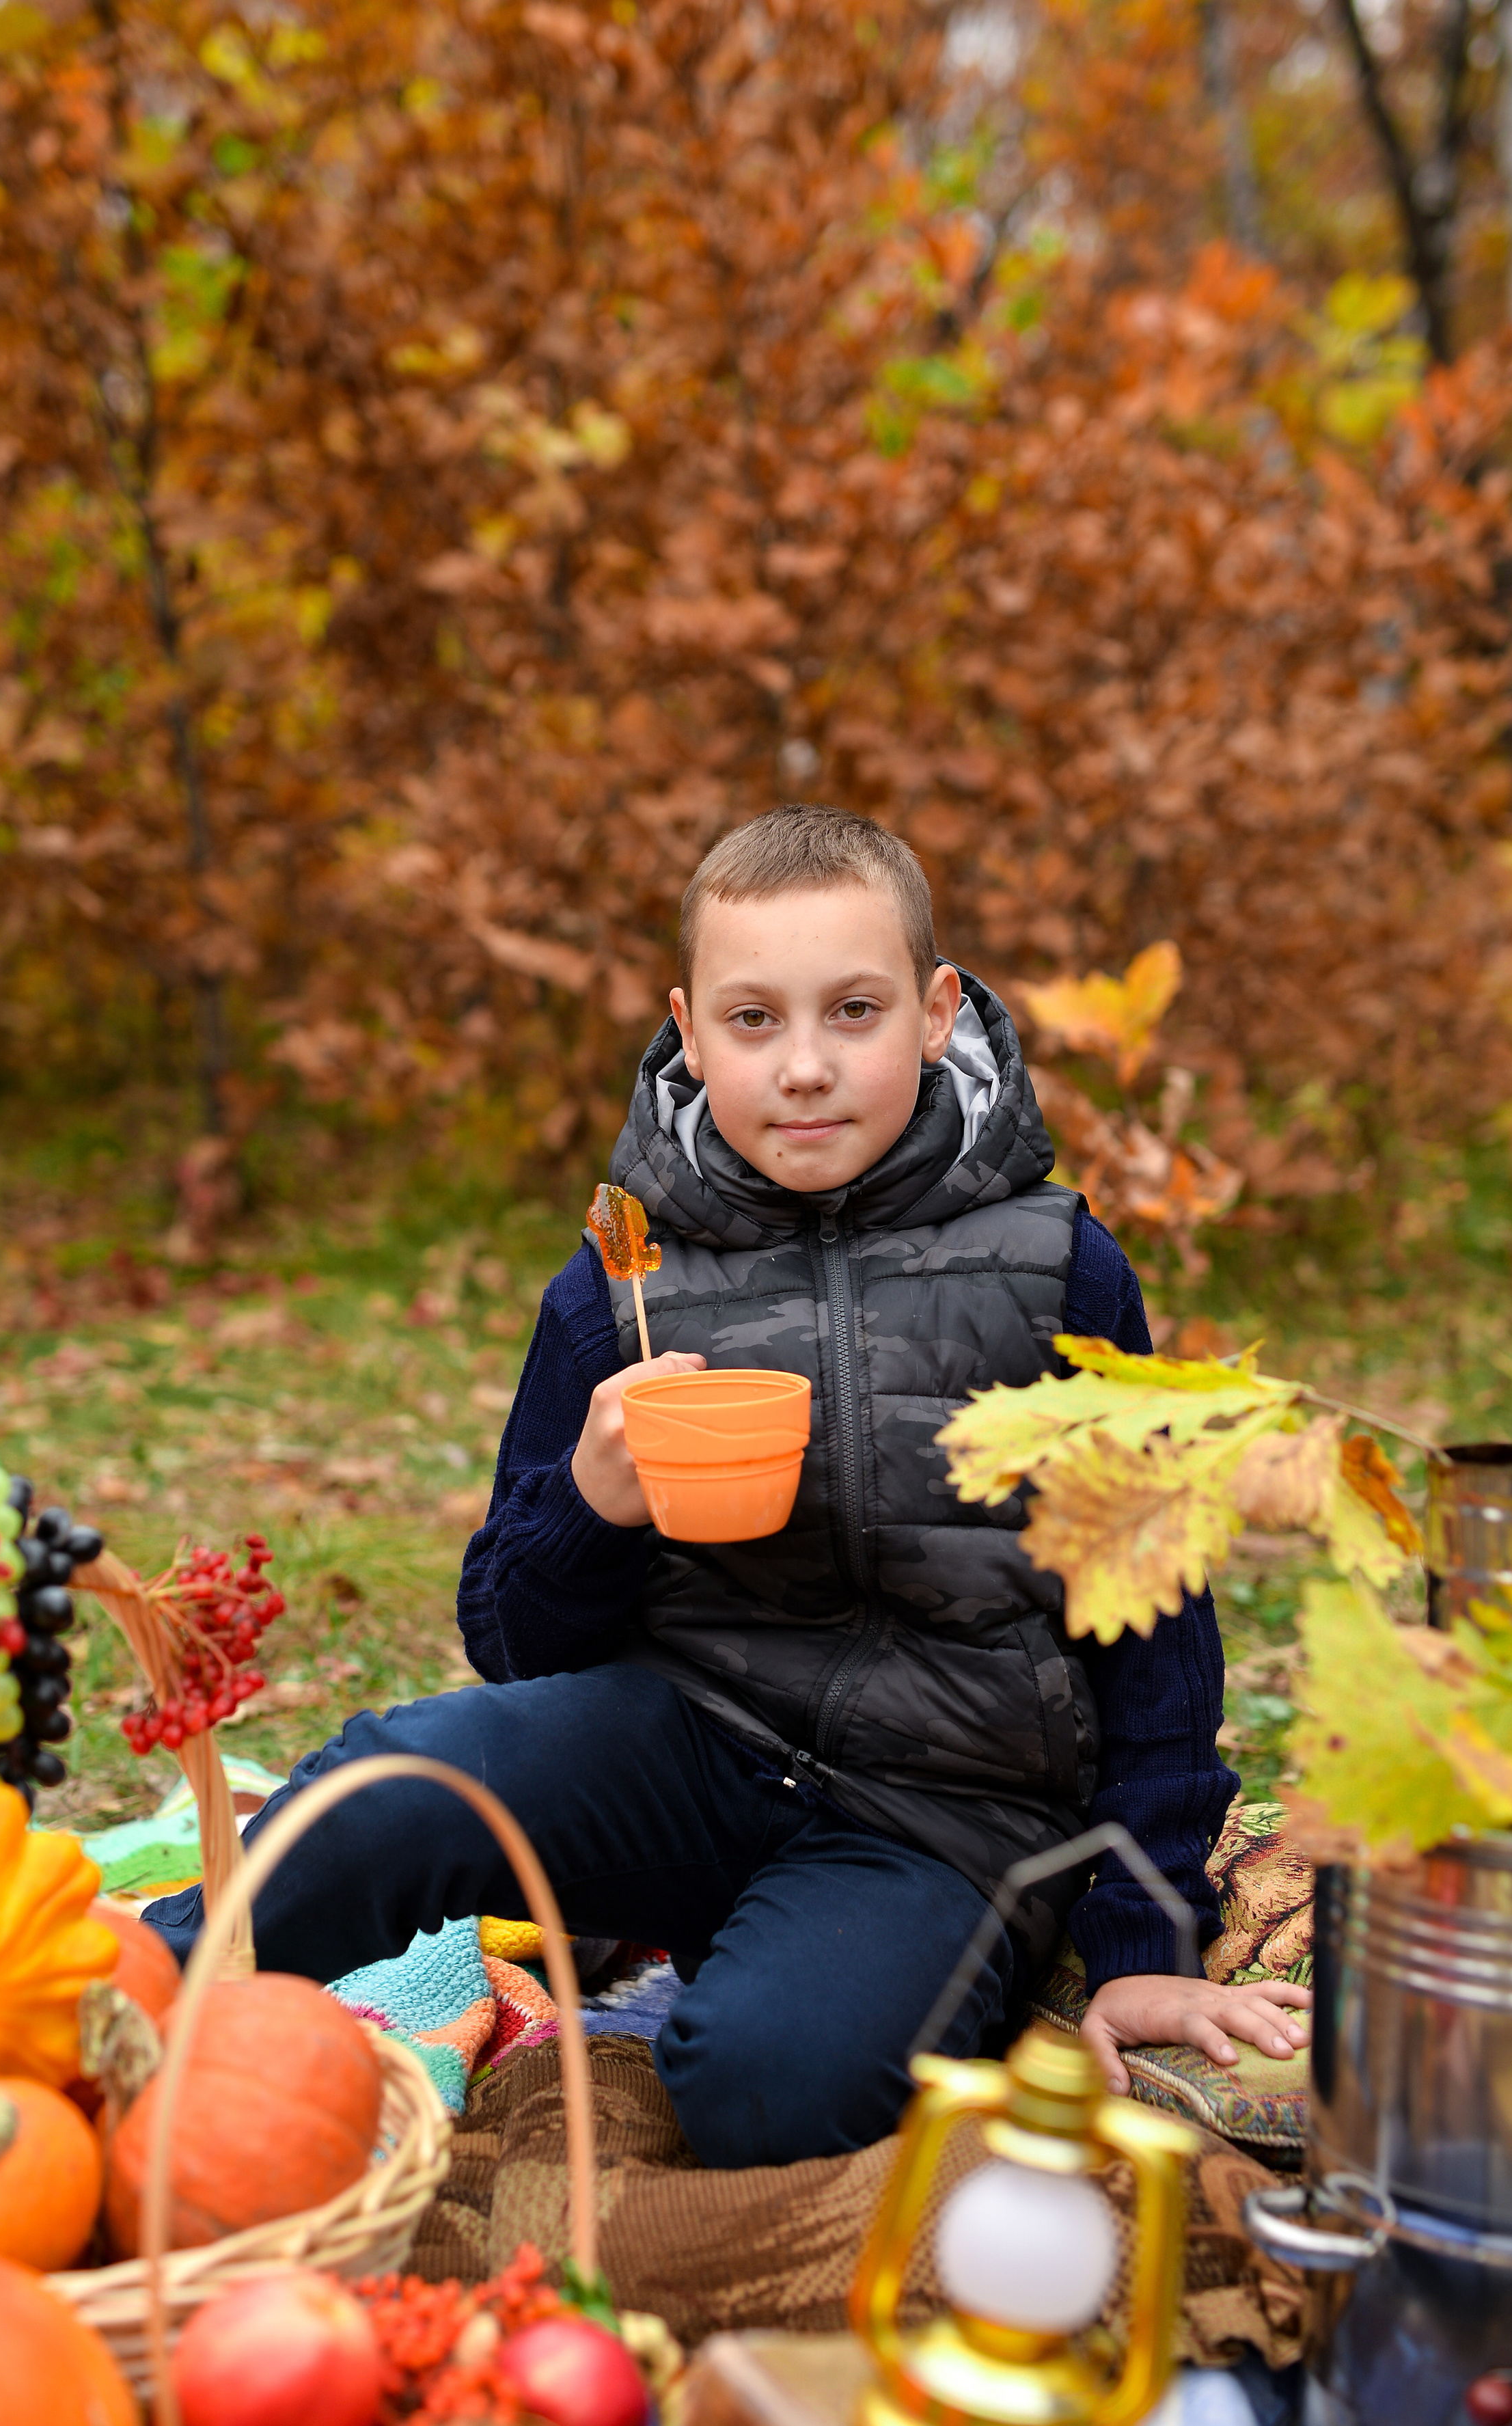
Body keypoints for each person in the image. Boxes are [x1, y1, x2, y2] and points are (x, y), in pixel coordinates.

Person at [147, 806, 1308, 2166]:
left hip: (938, 1815)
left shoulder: (1056, 1271)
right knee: (391, 1788)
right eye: (754, 1021)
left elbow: (1155, 1623)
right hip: (682, 1737)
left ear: (935, 1014)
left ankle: (803, 1970)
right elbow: (512, 1643)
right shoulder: (623, 1278)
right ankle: (107, 1997)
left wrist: (1137, 1935)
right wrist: (590, 1504)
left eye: (853, 1012)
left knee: (768, 2084)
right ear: (689, 1031)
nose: (804, 1068)